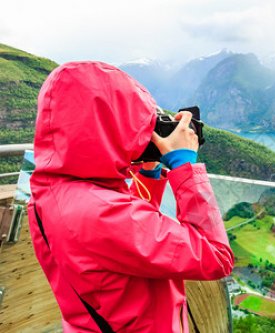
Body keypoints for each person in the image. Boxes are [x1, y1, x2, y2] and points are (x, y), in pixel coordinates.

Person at [27, 61, 234, 332]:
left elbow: (128, 245)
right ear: (109, 125)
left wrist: (150, 172)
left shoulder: (50, 191)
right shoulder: (102, 214)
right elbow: (217, 256)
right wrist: (185, 168)